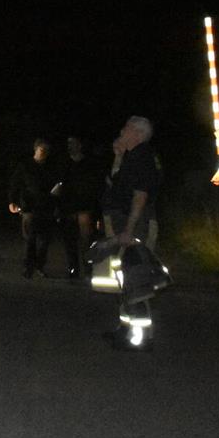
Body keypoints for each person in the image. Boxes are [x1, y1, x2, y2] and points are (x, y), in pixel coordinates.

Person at [102, 115, 163, 350]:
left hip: (136, 226)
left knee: (137, 281)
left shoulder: (143, 157)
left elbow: (140, 196)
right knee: (125, 280)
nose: (121, 131)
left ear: (138, 133)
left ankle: (141, 338)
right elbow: (115, 185)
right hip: (125, 224)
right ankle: (126, 329)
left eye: (126, 128)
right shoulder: (131, 157)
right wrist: (118, 156)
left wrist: (129, 230)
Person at [8, 138, 55, 278]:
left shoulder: (50, 167)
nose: (43, 153)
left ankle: (39, 266)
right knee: (30, 238)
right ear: (36, 149)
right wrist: (12, 201)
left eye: (46, 150)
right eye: (41, 149)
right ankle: (28, 267)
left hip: (46, 207)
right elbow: (15, 183)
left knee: (44, 240)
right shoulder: (25, 165)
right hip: (29, 206)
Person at [59, 135, 103, 280]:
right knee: (70, 240)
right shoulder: (64, 163)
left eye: (73, 143)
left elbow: (96, 186)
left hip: (85, 206)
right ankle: (73, 269)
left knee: (86, 240)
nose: (70, 146)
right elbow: (59, 185)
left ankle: (88, 268)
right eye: (68, 143)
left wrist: (97, 210)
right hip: (68, 208)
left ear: (80, 145)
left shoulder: (89, 164)